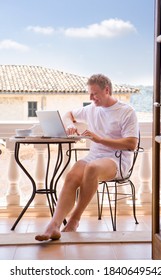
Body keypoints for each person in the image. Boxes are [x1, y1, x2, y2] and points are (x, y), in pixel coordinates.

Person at [35, 74, 139, 241]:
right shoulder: (91, 108)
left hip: (117, 159)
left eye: (94, 94)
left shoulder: (126, 111)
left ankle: (74, 220)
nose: (91, 98)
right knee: (72, 176)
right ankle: (54, 225)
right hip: (95, 156)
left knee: (92, 168)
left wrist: (98, 139)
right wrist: (69, 124)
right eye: (89, 94)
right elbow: (68, 114)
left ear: (107, 90)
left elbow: (131, 144)